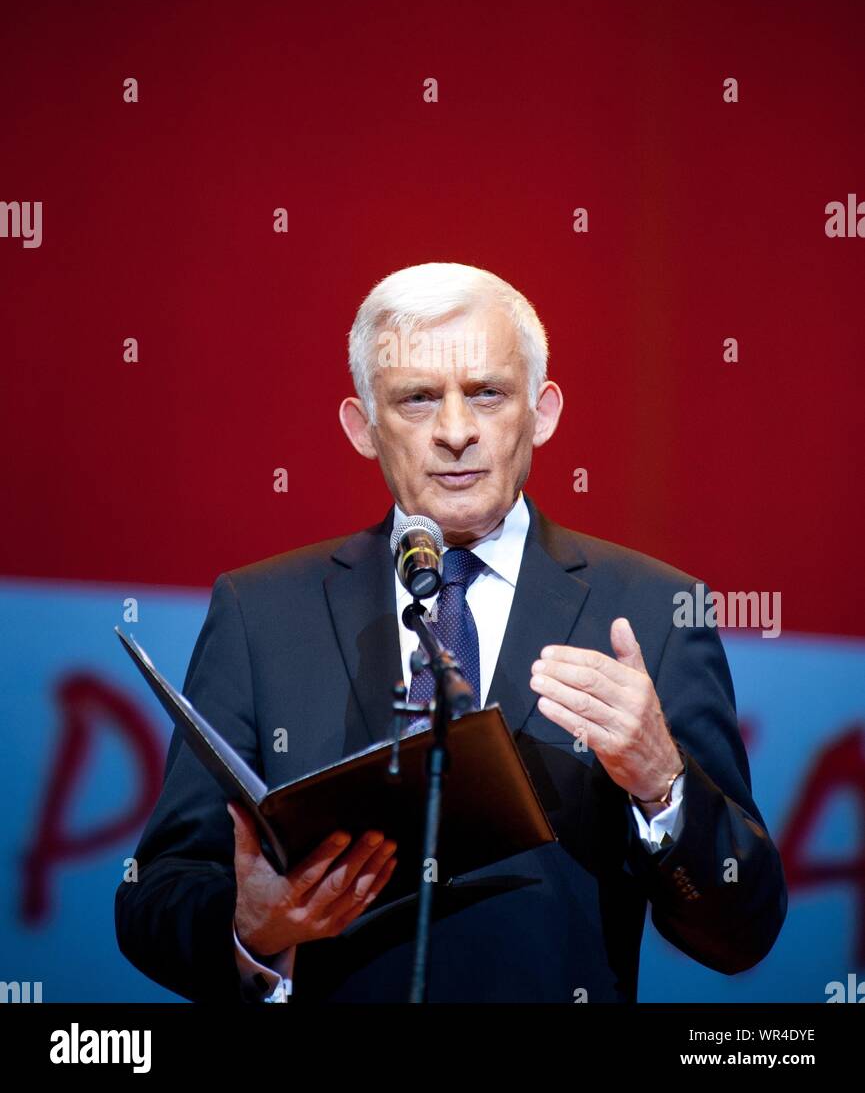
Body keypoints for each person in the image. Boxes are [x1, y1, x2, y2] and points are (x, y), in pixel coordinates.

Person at [115, 261, 787, 1003]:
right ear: (362, 427)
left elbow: (741, 932)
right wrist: (252, 925)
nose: (456, 432)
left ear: (543, 410)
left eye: (488, 394)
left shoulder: (655, 611)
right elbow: (154, 898)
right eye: (417, 400)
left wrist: (663, 782)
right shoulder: (261, 612)